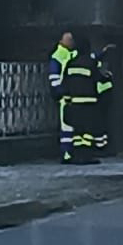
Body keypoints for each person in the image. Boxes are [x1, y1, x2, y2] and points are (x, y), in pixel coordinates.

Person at [65, 34, 101, 165]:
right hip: (89, 102)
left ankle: (77, 155)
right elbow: (97, 80)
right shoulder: (91, 63)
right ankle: (87, 156)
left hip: (75, 102)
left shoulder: (71, 63)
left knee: (77, 132)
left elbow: (66, 83)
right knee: (88, 132)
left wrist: (68, 100)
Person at [47, 31, 77, 164]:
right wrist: (60, 92)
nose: (71, 42)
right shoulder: (57, 56)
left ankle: (73, 152)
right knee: (66, 127)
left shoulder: (72, 54)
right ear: (61, 41)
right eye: (68, 39)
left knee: (74, 126)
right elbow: (54, 78)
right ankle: (66, 153)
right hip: (65, 97)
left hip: (74, 95)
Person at [93, 44, 117, 156]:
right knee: (100, 123)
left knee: (102, 123)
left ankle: (102, 147)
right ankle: (101, 147)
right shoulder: (99, 63)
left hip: (102, 95)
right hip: (101, 95)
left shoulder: (99, 63)